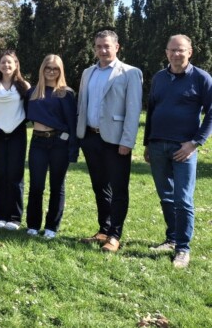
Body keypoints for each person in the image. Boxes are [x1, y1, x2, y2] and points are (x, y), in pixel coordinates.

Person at [144, 34, 212, 268]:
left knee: (183, 199)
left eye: (180, 50)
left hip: (184, 148)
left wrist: (195, 143)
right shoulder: (159, 78)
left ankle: (183, 248)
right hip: (157, 145)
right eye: (172, 50)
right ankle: (171, 239)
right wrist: (147, 143)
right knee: (166, 196)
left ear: (190, 52)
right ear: (166, 52)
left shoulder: (202, 78)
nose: (176, 54)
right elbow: (152, 110)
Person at [76, 30, 142, 253]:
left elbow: (133, 110)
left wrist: (127, 141)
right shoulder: (88, 73)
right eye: (98, 46)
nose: (102, 50)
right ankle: (104, 230)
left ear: (117, 47)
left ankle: (115, 235)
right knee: (100, 187)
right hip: (90, 137)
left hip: (116, 141)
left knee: (118, 189)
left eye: (107, 46)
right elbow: (82, 104)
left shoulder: (130, 73)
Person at [24, 55, 78, 240]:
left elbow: (72, 124)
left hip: (59, 143)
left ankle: (52, 227)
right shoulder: (32, 92)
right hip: (37, 142)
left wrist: (73, 150)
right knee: (36, 185)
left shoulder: (65, 93)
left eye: (55, 68)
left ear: (60, 71)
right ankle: (33, 225)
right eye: (48, 67)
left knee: (57, 185)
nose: (51, 71)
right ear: (42, 69)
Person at [0, 51, 30, 231]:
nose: (6, 65)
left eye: (9, 62)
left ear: (16, 65)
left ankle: (15, 217)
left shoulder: (23, 86)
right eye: (3, 62)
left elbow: (30, 109)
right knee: (0, 174)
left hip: (17, 133)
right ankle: (1, 215)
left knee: (15, 175)